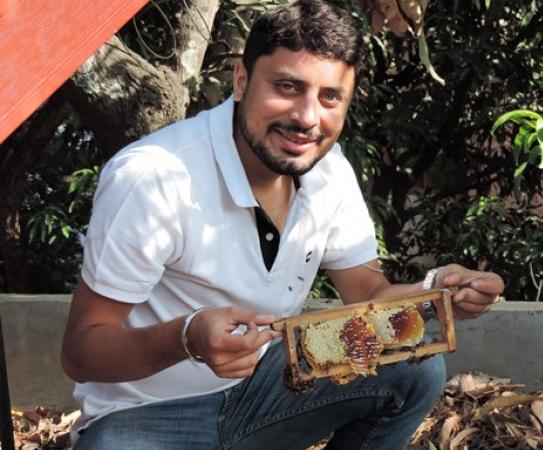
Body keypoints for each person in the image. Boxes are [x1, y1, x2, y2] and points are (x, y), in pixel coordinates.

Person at [61, 1, 505, 448]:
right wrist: (187, 338)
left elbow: (369, 296)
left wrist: (437, 291)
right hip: (147, 419)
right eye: (288, 87)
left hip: (267, 395)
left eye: (330, 97)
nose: (307, 118)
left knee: (413, 363)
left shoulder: (329, 171)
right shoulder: (154, 176)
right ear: (241, 80)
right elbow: (82, 351)